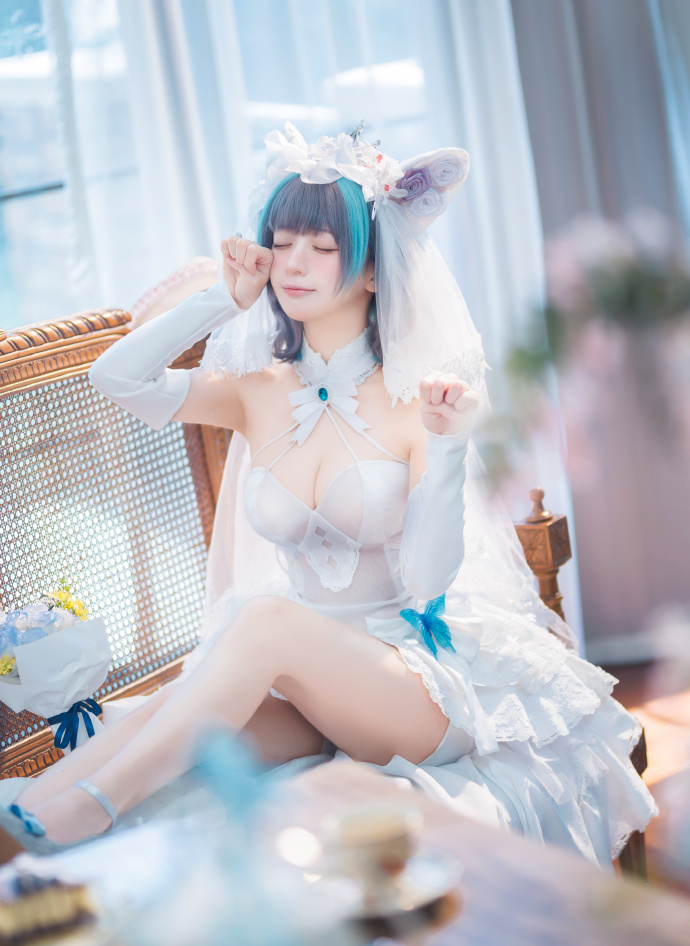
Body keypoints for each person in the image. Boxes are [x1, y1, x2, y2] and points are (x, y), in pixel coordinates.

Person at [2, 124, 656, 867]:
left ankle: (90, 810)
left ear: (373, 270)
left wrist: (448, 445)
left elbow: (430, 581)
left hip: (411, 685)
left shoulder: (415, 399)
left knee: (261, 620)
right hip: (308, 688)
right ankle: (27, 818)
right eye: (281, 243)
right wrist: (223, 299)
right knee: (163, 713)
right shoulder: (256, 391)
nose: (293, 263)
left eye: (320, 246)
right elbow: (115, 378)